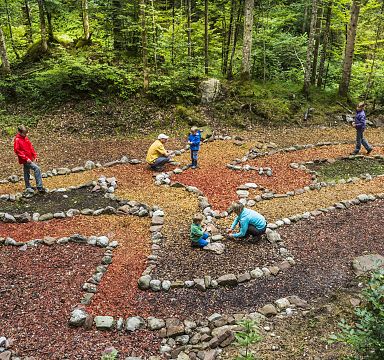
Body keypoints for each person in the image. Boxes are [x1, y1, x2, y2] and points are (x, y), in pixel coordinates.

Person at [13, 125, 46, 193]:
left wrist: (35, 156)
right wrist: (25, 158)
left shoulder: (25, 138)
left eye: (26, 133)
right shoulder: (17, 140)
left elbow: (30, 147)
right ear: (20, 132)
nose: (25, 134)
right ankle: (39, 187)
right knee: (37, 169)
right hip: (25, 159)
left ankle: (28, 186)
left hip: (29, 158)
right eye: (24, 133)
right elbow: (17, 151)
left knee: (26, 172)